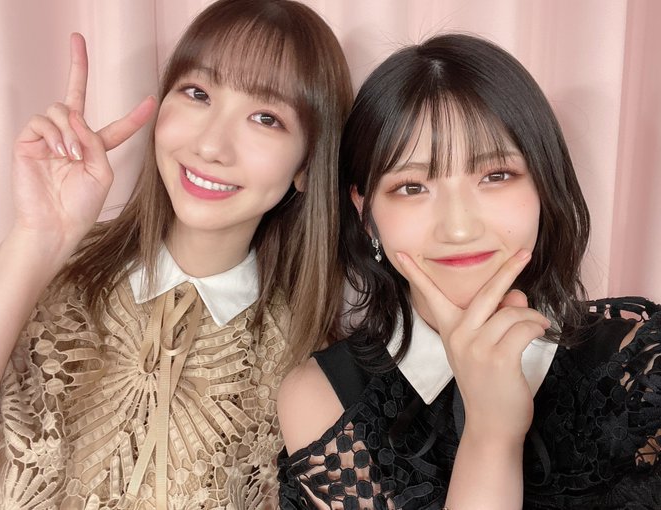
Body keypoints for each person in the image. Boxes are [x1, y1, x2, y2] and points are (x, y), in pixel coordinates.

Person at [0, 0, 352, 508]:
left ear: (308, 162)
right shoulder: (37, 274)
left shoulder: (308, 370)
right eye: (198, 93)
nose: (211, 145)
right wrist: (36, 238)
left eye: (265, 118)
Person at [276, 33, 661, 509]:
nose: (459, 228)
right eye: (412, 187)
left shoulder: (638, 370)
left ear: (544, 185)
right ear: (365, 211)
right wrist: (491, 432)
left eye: (496, 176)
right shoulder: (325, 400)